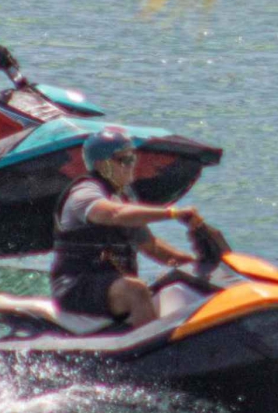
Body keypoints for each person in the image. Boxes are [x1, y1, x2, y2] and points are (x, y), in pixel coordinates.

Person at [50, 127, 204, 327]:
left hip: (110, 285)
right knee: (136, 291)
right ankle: (152, 344)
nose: (132, 165)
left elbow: (151, 246)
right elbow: (113, 214)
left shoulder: (124, 197)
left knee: (172, 283)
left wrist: (194, 266)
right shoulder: (84, 192)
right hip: (75, 285)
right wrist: (171, 213)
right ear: (103, 164)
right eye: (125, 159)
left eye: (133, 158)